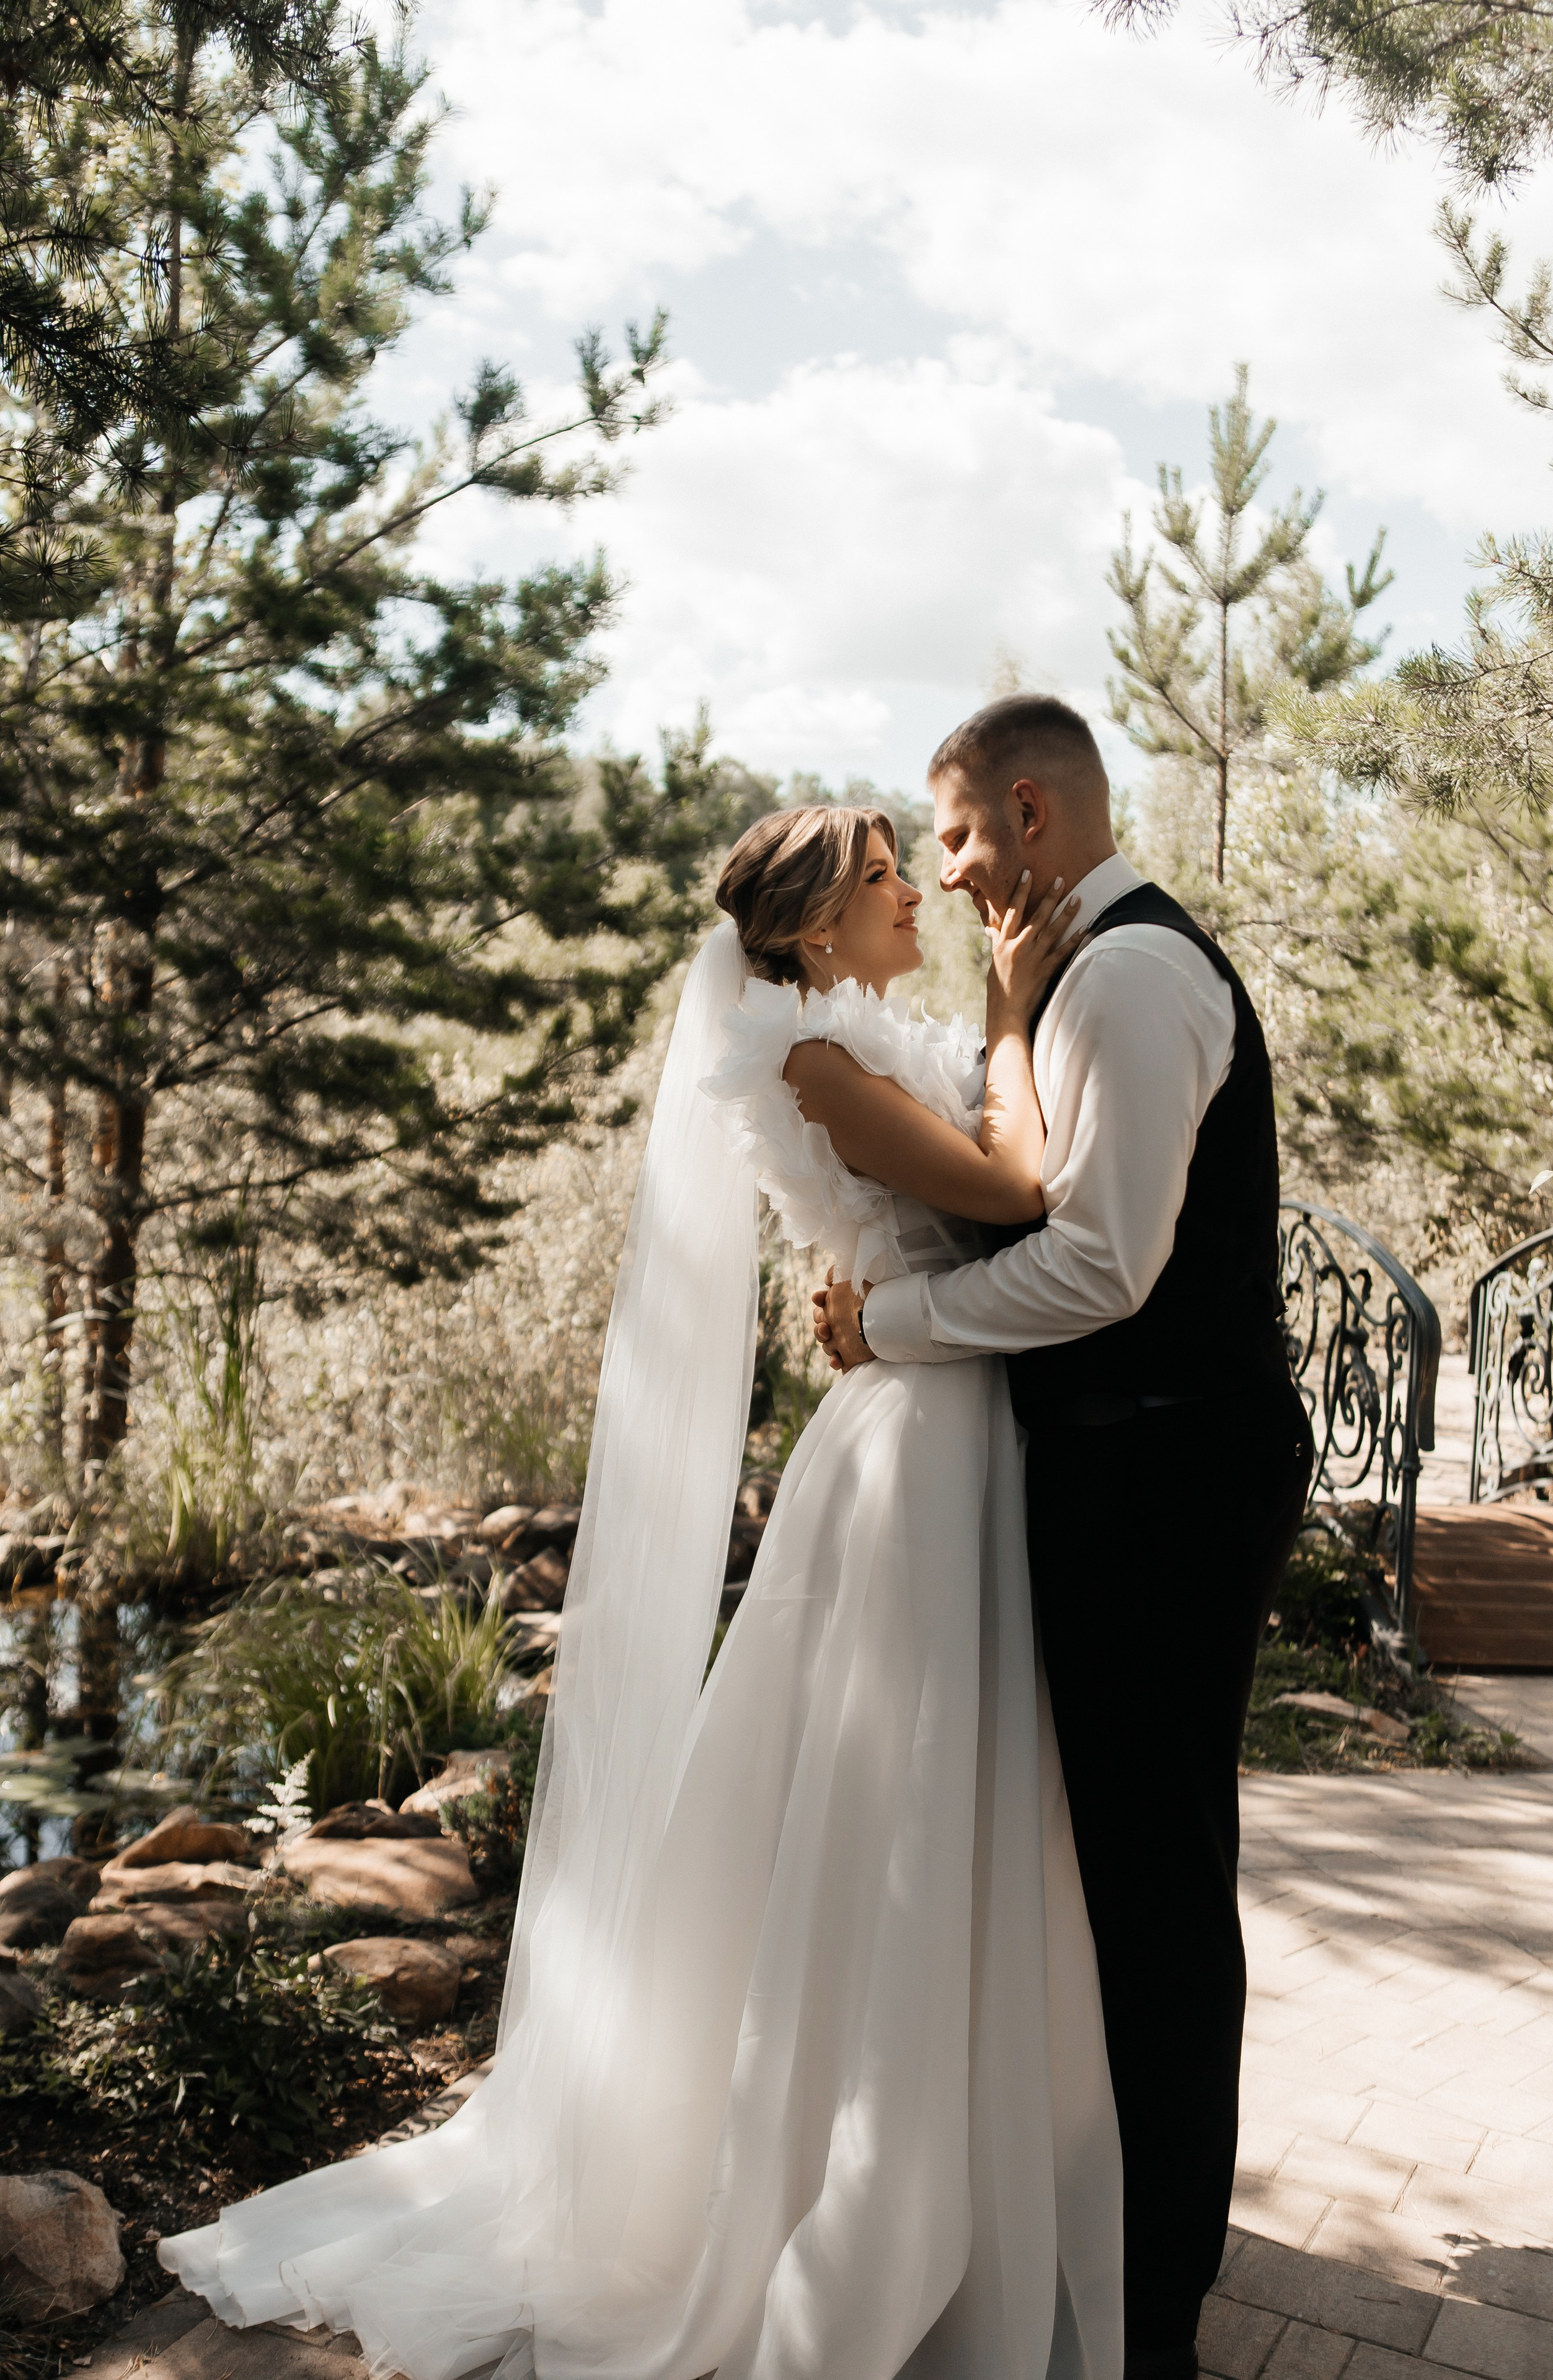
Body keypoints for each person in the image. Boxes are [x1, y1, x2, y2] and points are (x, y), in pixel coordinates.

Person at [160, 803, 1125, 2380]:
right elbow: (1012, 1199)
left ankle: (953, 2157)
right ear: (815, 930)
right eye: (888, 881)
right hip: (912, 1452)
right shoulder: (812, 1064)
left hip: (953, 1424)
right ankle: (843, 2185)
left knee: (944, 1805)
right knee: (885, 1808)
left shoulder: (866, 1031)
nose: (915, 899)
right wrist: (1022, 1014)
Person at [816, 697, 1314, 2380]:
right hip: (1117, 1469)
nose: (946, 871)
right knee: (1107, 1881)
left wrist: (891, 1327)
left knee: (1159, 1896)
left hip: (1170, 1480)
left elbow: (1107, 1267)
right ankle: (1096, 2238)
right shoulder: (1064, 977)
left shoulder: (1137, 977)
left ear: (1030, 815)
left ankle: (1156, 2308)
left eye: (953, 835)